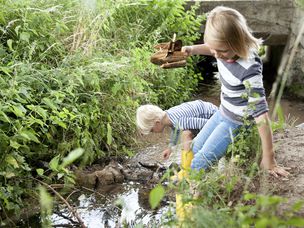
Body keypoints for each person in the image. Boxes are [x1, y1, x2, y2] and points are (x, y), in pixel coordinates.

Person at [181, 6, 289, 177]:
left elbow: (261, 114)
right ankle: (193, 178)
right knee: (194, 148)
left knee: (199, 162)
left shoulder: (249, 69)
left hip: (236, 123)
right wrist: (193, 49)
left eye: (221, 51)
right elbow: (213, 48)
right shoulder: (222, 50)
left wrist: (269, 156)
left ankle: (193, 199)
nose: (216, 55)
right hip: (222, 112)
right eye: (213, 49)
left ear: (237, 42)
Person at [136, 100, 218, 160]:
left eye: (152, 130)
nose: (153, 133)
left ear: (157, 122)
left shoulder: (180, 120)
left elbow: (209, 124)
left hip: (213, 116)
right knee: (185, 133)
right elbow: (176, 130)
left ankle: (186, 167)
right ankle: (189, 160)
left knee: (186, 135)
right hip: (205, 116)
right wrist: (170, 148)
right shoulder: (169, 116)